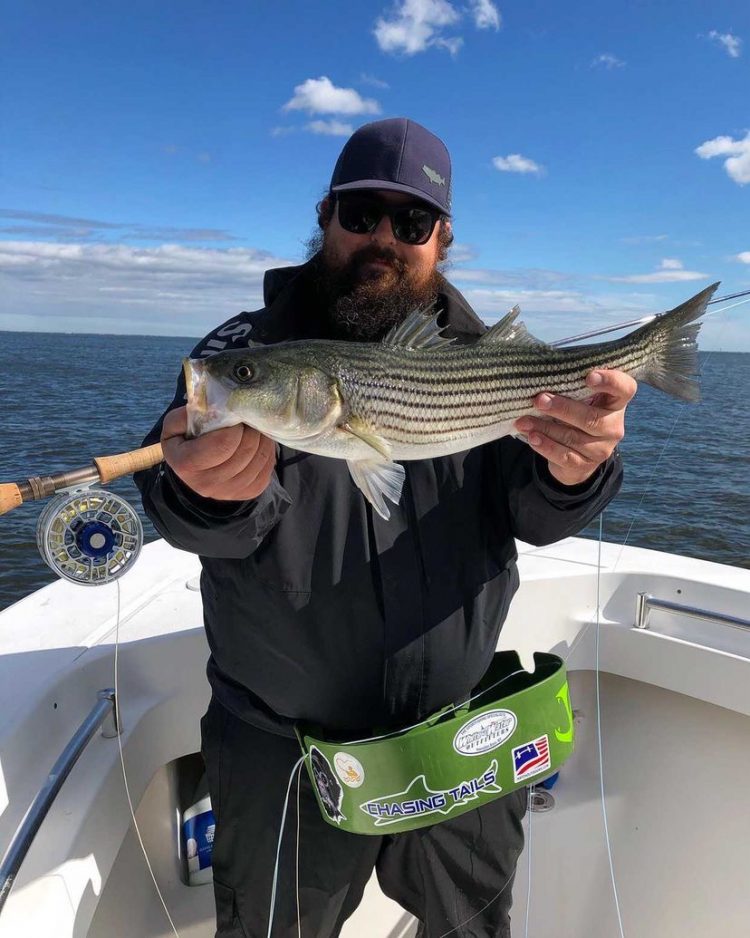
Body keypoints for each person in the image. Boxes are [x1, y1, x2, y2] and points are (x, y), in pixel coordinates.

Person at [136, 118, 633, 937]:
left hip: (461, 734)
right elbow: (195, 518)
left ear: (442, 238)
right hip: (280, 751)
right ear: (326, 213)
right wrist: (206, 493)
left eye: (410, 223)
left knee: (472, 926)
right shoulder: (245, 357)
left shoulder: (490, 359)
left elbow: (535, 515)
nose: (383, 238)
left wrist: (579, 469)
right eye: (363, 213)